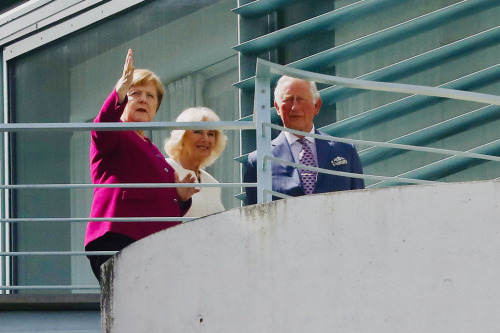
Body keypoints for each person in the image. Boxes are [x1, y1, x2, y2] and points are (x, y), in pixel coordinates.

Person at [84, 49, 197, 280]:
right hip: (121, 233)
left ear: (156, 108)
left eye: (150, 96)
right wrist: (118, 91)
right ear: (124, 101)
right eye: (135, 93)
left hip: (156, 241)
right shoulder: (117, 133)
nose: (143, 99)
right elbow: (101, 127)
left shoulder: (153, 151)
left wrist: (182, 197)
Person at [244, 75, 364, 205]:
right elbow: (255, 218)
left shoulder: (345, 151)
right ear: (277, 108)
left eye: (301, 99)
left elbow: (360, 207)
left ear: (316, 106)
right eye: (288, 100)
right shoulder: (259, 160)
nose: (294, 107)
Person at [164, 107, 227, 217]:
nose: (205, 139)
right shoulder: (165, 169)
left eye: (211, 134)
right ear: (181, 137)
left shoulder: (213, 183)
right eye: (198, 132)